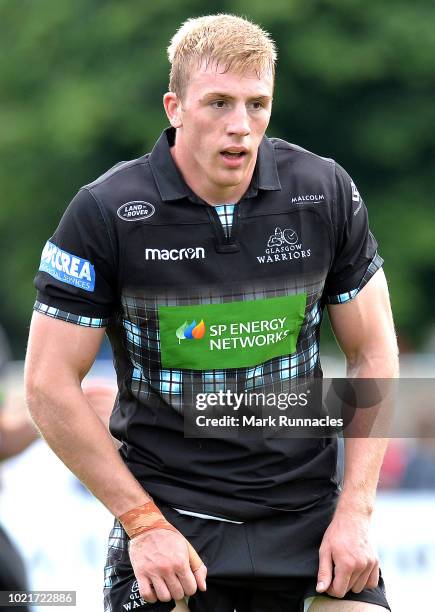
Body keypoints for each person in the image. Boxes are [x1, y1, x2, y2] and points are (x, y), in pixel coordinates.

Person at [25, 14, 399, 612]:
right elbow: (47, 384)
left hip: (309, 516)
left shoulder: (324, 191)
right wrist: (143, 525)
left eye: (257, 104)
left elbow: (374, 352)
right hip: (172, 521)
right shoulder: (106, 211)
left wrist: (355, 511)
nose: (240, 127)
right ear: (174, 106)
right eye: (218, 103)